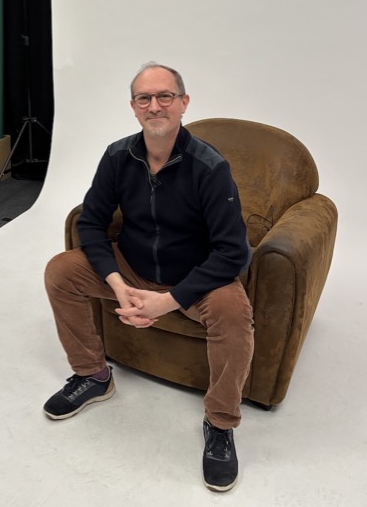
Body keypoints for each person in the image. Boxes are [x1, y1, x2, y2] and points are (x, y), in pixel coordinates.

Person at [44, 62, 254, 492]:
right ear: (133, 107)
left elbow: (234, 251)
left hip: (194, 278)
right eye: (145, 98)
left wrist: (169, 300)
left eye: (165, 97)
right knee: (60, 272)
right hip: (132, 267)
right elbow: (91, 222)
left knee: (234, 314)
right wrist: (117, 283)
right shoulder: (118, 156)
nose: (155, 106)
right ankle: (93, 376)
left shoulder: (209, 166)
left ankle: (219, 422)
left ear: (183, 103)